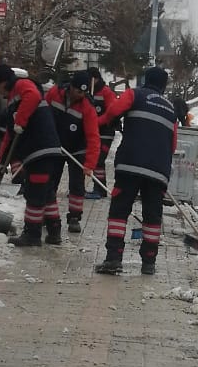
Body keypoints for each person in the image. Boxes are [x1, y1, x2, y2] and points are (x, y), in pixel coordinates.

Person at [95, 64, 177, 276]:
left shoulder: (135, 94)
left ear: (145, 79)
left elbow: (113, 110)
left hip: (131, 164)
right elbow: (173, 144)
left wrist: (100, 122)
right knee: (152, 216)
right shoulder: (171, 108)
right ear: (164, 86)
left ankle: (113, 259)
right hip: (158, 171)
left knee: (119, 211)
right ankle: (149, 262)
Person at [0, 62, 66, 245]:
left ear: (3, 82)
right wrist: (2, 162)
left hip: (40, 150)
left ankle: (32, 235)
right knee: (47, 194)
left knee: (34, 194)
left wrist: (21, 120)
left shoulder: (22, 85)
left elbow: (33, 96)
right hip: (45, 151)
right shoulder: (12, 101)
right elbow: (10, 136)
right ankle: (54, 232)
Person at [43, 68, 102, 232]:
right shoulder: (54, 93)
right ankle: (47, 213)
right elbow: (43, 113)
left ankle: (75, 216)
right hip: (55, 144)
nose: (80, 95)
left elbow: (93, 137)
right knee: (51, 180)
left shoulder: (87, 106)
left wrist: (89, 164)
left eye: (83, 92)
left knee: (77, 185)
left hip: (77, 149)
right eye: (77, 91)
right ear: (71, 87)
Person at [88, 67, 117, 197]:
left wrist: (95, 122)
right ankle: (99, 187)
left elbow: (110, 113)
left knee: (99, 160)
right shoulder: (88, 92)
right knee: (94, 160)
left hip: (105, 132)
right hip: (92, 132)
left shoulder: (106, 92)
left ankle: (99, 189)